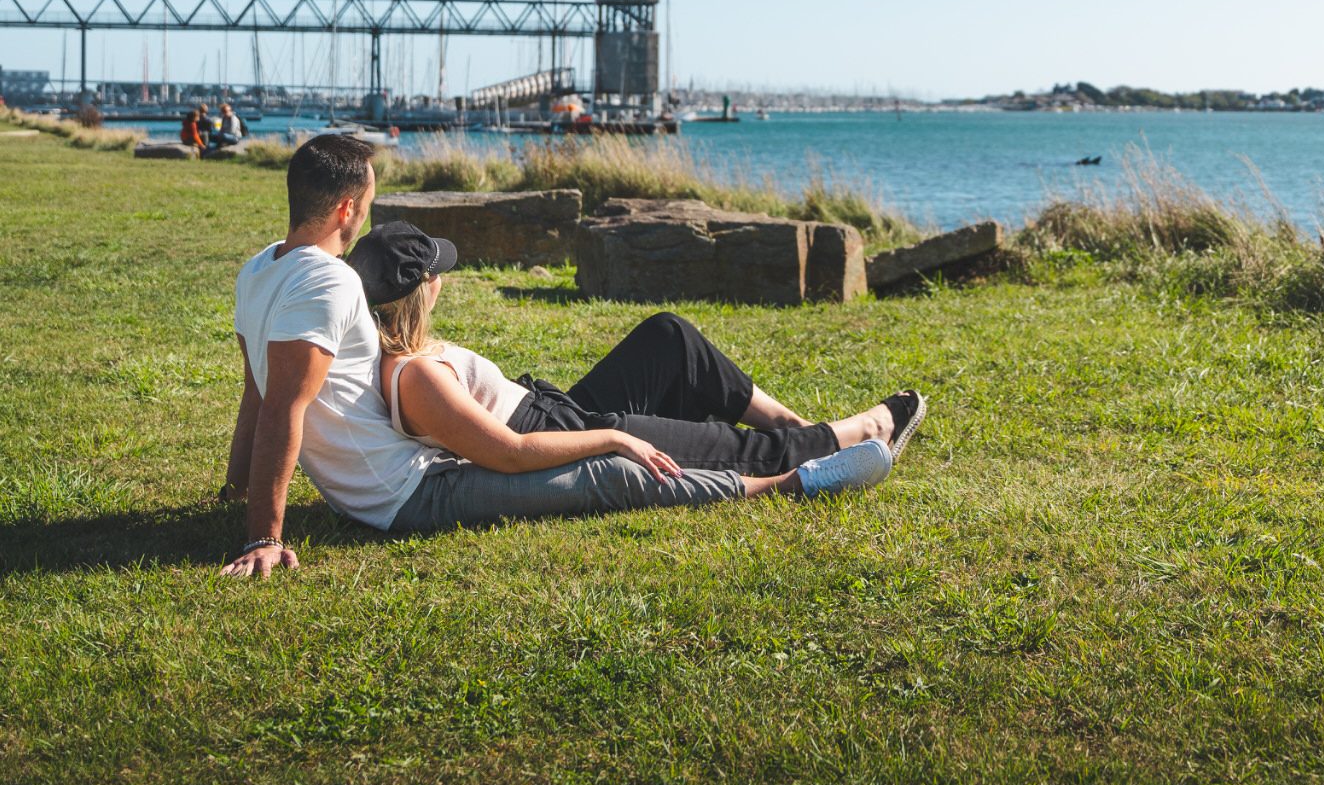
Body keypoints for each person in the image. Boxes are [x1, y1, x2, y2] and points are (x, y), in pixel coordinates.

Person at [218, 136, 895, 578]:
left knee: (662, 358)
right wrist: (262, 537)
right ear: (344, 206)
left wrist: (236, 485)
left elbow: (257, 390)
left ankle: (811, 439)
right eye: (364, 206)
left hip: (428, 462)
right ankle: (798, 476)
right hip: (406, 492)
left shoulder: (260, 271)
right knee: (618, 472)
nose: (363, 217)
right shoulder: (329, 279)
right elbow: (282, 402)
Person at [343, 222, 926, 503]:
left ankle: (797, 429)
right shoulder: (414, 375)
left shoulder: (402, 350)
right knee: (726, 445)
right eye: (438, 273)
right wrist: (610, 441)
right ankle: (851, 435)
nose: (444, 279)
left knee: (667, 337)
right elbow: (509, 453)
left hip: (556, 409)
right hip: (560, 431)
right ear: (424, 288)